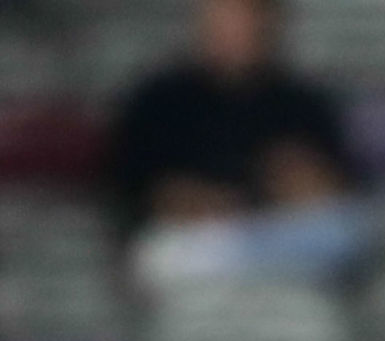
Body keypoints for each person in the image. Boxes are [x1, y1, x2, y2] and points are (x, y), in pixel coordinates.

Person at [106, 0, 371, 289]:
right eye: (223, 19)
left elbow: (339, 189)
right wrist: (192, 202)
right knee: (156, 256)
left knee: (345, 232)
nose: (233, 31)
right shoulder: (158, 100)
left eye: (245, 20)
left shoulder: (304, 102)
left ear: (269, 26)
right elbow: (132, 189)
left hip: (278, 233)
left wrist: (309, 185)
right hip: (194, 240)